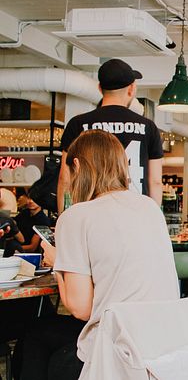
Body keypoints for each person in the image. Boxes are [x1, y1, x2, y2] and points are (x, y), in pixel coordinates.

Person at [20, 130, 179, 380]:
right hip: (161, 343)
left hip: (117, 351)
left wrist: (56, 262)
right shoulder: (149, 207)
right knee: (43, 332)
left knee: (35, 336)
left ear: (77, 165)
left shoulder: (75, 217)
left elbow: (80, 308)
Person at [57, 58, 164, 212]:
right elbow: (155, 182)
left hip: (91, 212)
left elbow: (65, 178)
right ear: (131, 89)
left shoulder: (78, 124)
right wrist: (154, 220)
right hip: (135, 213)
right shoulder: (148, 127)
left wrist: (64, 218)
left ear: (100, 88)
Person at [14, 188, 52, 253]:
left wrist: (13, 249)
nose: (31, 201)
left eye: (35, 199)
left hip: (32, 256)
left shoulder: (43, 220)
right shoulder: (24, 213)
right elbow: (13, 223)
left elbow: (32, 247)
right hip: (18, 250)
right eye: (29, 198)